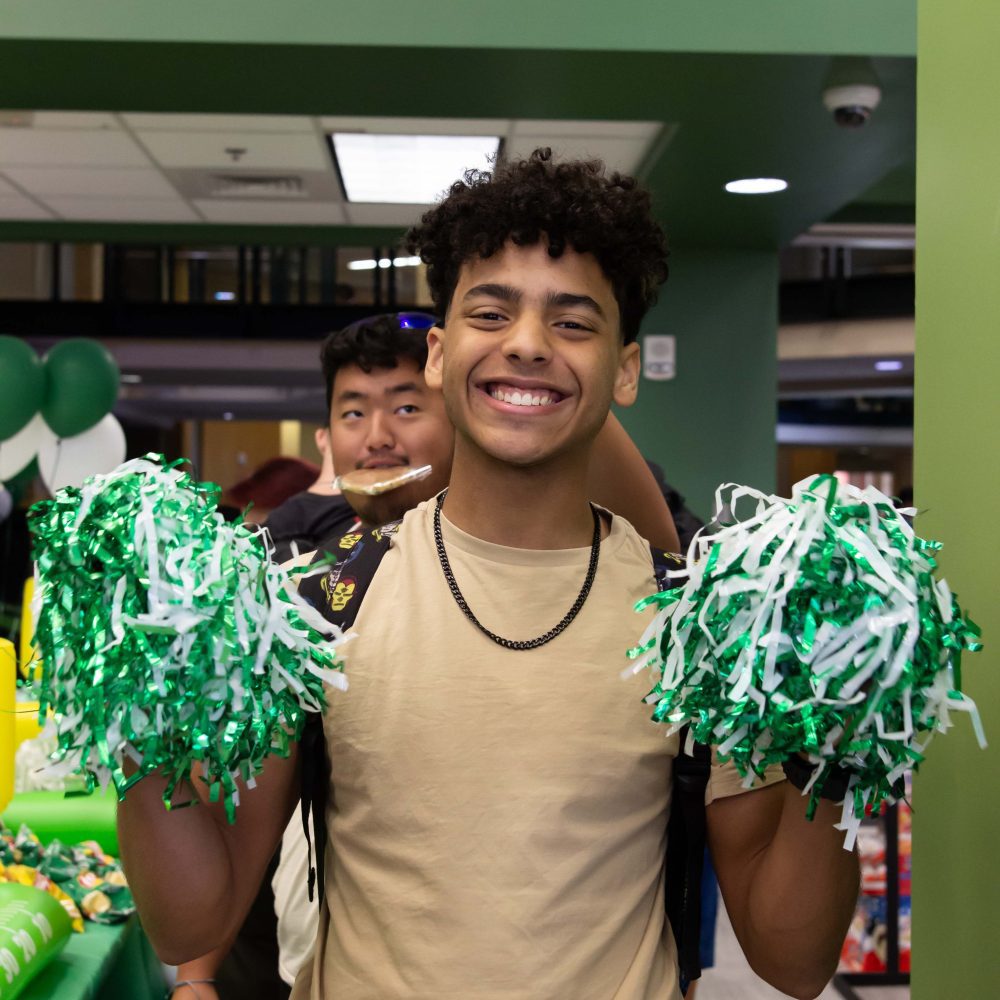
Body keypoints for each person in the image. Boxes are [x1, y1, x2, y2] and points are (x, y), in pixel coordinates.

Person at [120, 149, 859, 1000]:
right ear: (439, 353)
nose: (528, 345)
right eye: (491, 312)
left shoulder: (698, 626)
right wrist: (138, 718)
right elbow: (192, 924)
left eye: (574, 323)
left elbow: (793, 963)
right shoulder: (317, 610)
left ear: (625, 369)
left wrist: (835, 746)